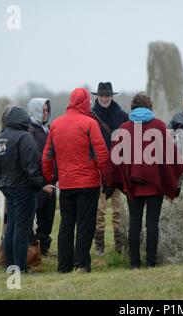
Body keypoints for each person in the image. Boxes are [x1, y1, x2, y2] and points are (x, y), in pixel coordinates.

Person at [105, 92, 183, 269]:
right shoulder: (159, 126)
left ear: (133, 107)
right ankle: (151, 262)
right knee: (152, 224)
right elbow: (172, 157)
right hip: (155, 185)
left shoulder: (124, 128)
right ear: (150, 106)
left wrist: (113, 182)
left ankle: (135, 264)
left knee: (134, 224)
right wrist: (175, 180)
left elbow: (114, 159)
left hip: (132, 186)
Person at [42, 88, 109, 273]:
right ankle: (81, 264)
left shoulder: (55, 124)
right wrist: (108, 177)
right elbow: (102, 154)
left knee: (66, 224)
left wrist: (48, 177)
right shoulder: (90, 123)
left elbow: (47, 156)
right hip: (88, 183)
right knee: (85, 224)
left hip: (66, 183)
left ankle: (64, 266)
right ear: (86, 102)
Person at [0, 106, 44, 273]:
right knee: (22, 230)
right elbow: (32, 167)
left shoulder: (0, 139)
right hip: (24, 189)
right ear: (23, 120)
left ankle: (10, 266)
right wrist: (39, 185)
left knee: (12, 228)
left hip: (8, 188)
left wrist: (4, 186)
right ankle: (20, 268)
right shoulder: (25, 137)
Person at [91, 82, 129, 256]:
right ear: (97, 97)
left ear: (112, 96)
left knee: (117, 210)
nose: (105, 99)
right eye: (102, 96)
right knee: (99, 210)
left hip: (118, 168)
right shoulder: (90, 116)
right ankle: (99, 247)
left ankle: (119, 246)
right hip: (98, 168)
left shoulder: (122, 115)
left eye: (107, 95)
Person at [27, 98, 57, 256]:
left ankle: (44, 248)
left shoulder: (49, 129)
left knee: (47, 217)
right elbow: (32, 159)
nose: (45, 113)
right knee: (31, 217)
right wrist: (40, 183)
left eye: (47, 110)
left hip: (50, 181)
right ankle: (32, 250)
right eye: (42, 110)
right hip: (36, 182)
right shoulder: (29, 131)